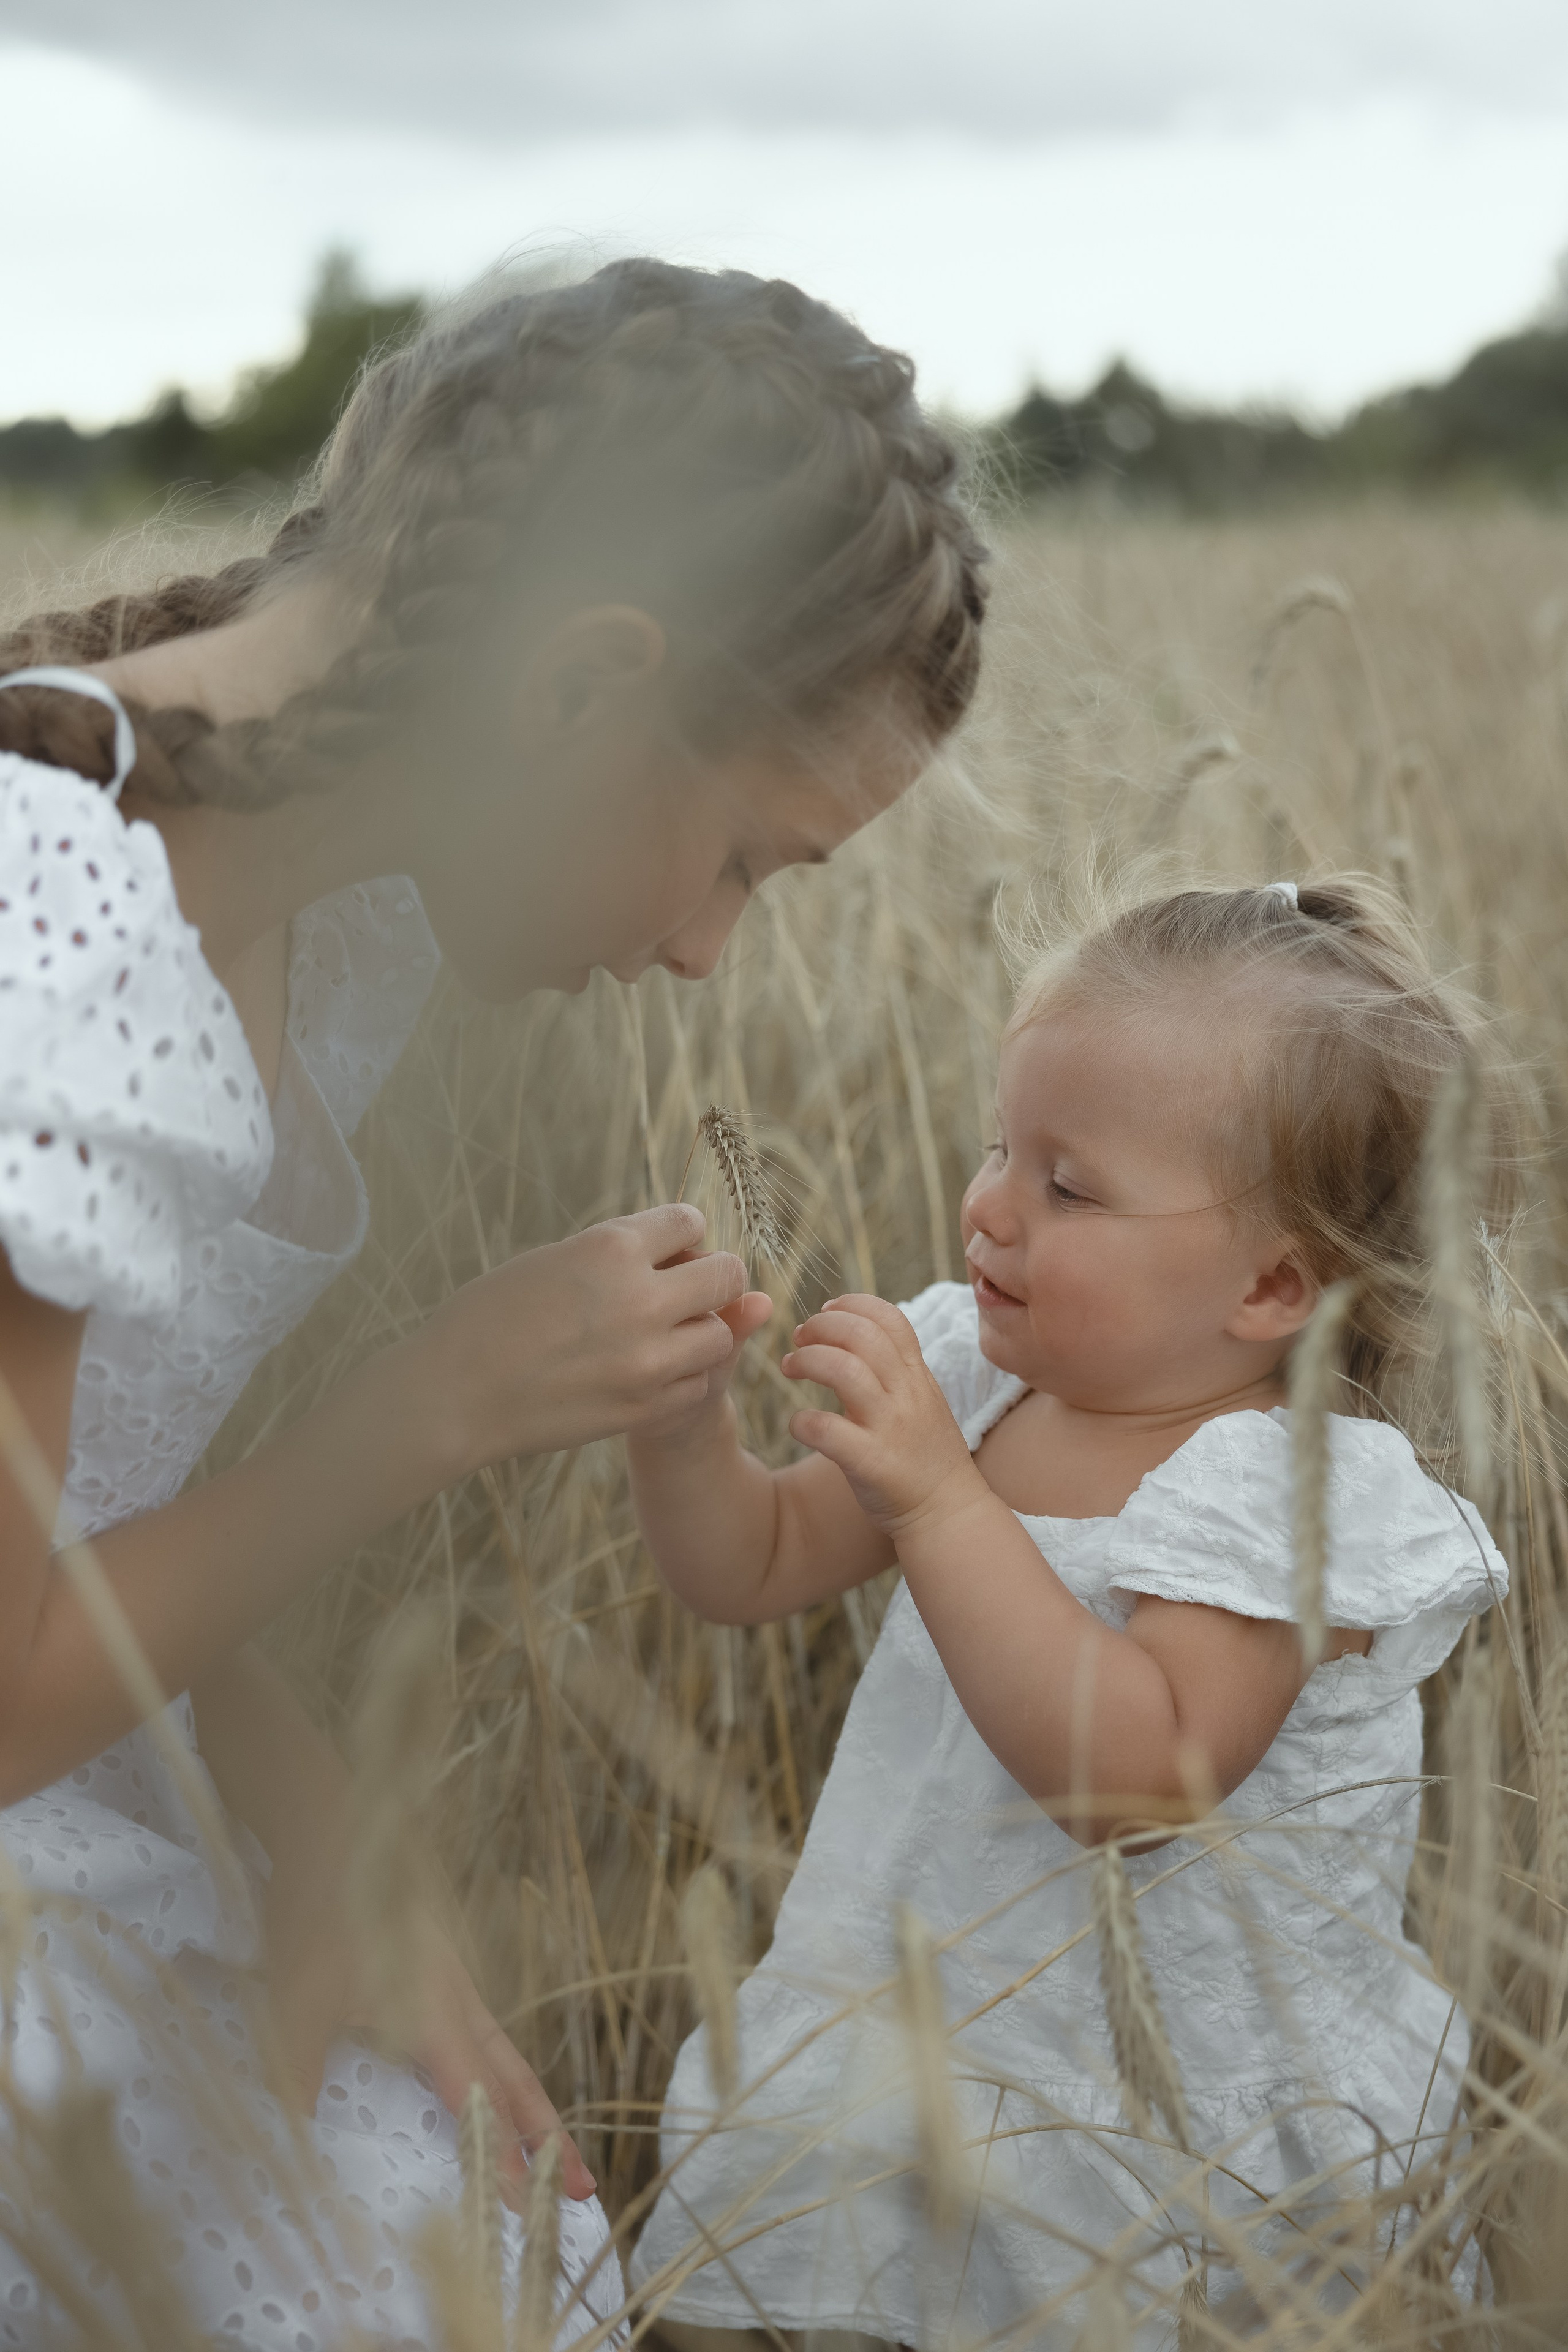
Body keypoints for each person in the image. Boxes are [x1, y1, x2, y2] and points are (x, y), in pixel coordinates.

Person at [0, 257, 987, 2350]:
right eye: (742, 856)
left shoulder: (317, 929)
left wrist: (320, 1827)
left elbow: (74, 1509)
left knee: (495, 2248)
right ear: (580, 691)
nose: (714, 953)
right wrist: (424, 1415)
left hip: (100, 1798)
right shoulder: (58, 947)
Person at [628, 877, 1513, 2348]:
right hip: (904, 2039)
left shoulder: (1283, 1498)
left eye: (1067, 1184)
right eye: (998, 1148)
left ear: (1272, 1283)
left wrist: (933, 1502)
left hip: (1138, 2133)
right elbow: (754, 1560)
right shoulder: (979, 1383)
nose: (987, 1204)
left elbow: (1139, 1776)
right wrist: (676, 1432)